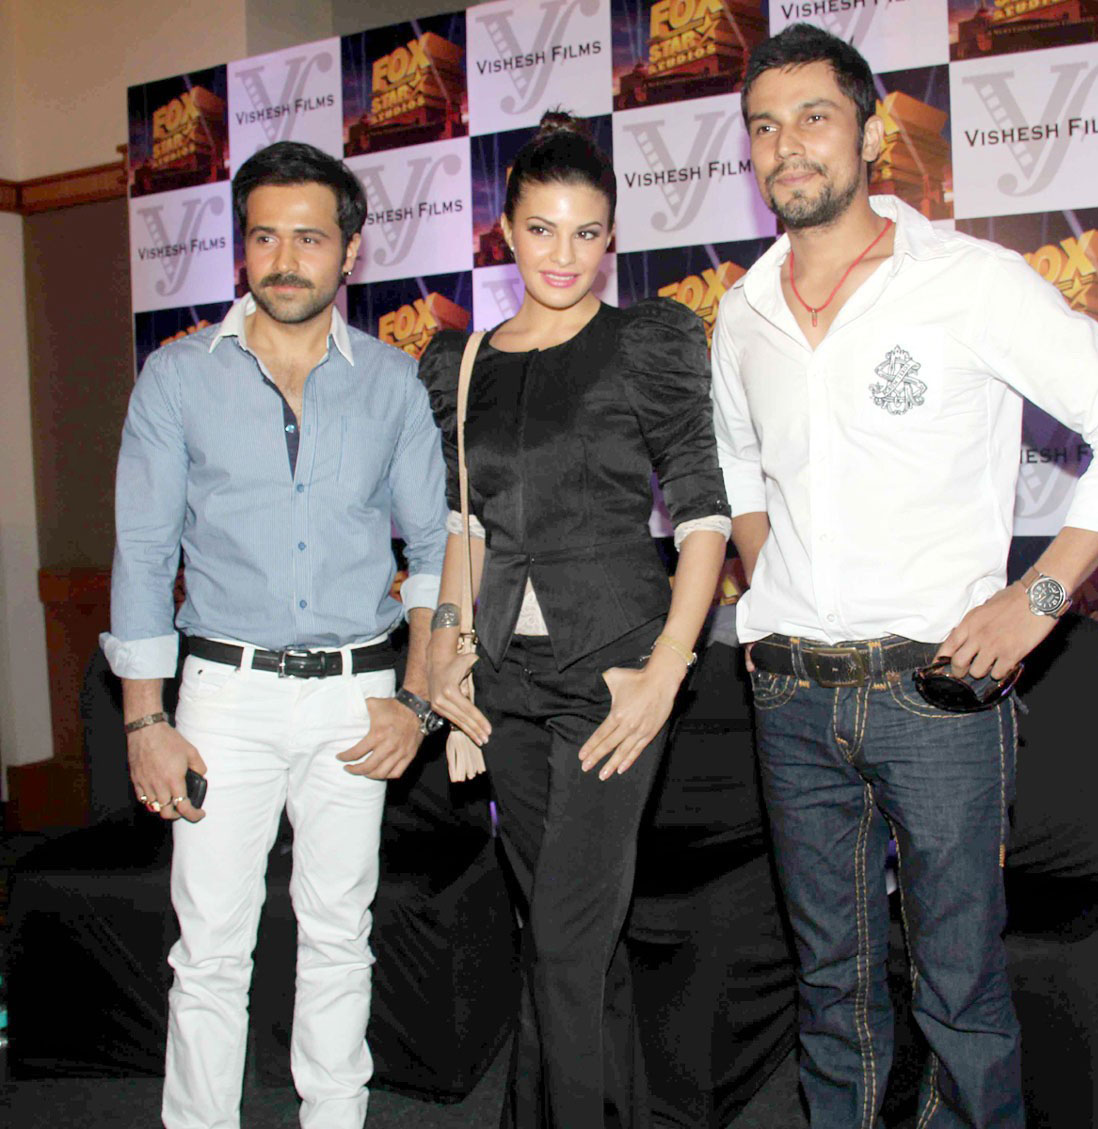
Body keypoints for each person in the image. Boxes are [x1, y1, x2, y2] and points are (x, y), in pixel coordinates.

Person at [711, 22, 1098, 1129]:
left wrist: (1039, 596)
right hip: (789, 696)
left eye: (814, 117)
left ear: (874, 133)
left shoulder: (972, 282)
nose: (788, 146)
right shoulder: (742, 313)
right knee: (829, 990)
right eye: (765, 127)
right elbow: (740, 468)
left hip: (938, 692)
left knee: (960, 988)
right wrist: (770, 582)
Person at [102, 140, 448, 1129]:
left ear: (350, 251)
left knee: (340, 934)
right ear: (241, 248)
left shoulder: (392, 381)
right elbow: (142, 554)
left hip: (358, 697)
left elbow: (434, 552)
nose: (285, 259)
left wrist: (418, 699)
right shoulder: (177, 378)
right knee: (209, 951)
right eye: (265, 237)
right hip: (222, 697)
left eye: (310, 238)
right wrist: (144, 721)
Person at [418, 111, 730, 1129]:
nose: (564, 254)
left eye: (587, 231)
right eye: (543, 229)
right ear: (507, 231)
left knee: (562, 938)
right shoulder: (463, 362)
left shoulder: (645, 341)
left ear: (612, 238)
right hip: (504, 683)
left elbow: (703, 515)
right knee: (570, 944)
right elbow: (467, 527)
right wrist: (448, 657)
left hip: (616, 676)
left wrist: (667, 669)